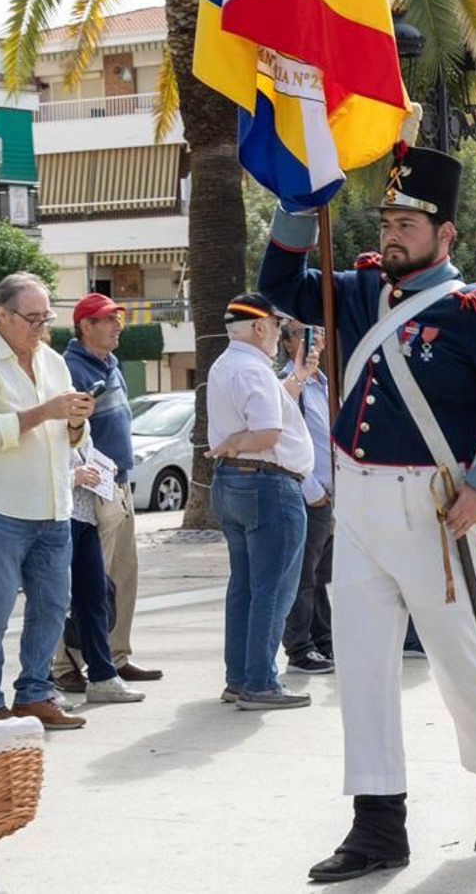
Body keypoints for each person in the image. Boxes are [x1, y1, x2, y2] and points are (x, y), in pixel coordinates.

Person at [260, 141, 476, 881]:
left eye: (408, 224)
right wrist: (298, 201)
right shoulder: (362, 291)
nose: (391, 236)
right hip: (360, 503)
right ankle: (378, 822)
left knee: (460, 658)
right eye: (387, 221)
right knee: (362, 665)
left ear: (445, 234)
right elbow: (279, 284)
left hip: (433, 508)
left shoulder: (474, 312)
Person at [0, 273, 95, 731]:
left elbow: (70, 437)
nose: (41, 326)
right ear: (2, 314)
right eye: (32, 318)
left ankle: (34, 694)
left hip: (52, 507)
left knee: (52, 607)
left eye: (46, 317)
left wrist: (76, 423)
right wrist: (44, 412)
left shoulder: (54, 362)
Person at [207, 293, 317, 711]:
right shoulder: (253, 369)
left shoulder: (228, 364)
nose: (278, 334)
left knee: (245, 587)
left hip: (235, 482)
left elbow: (270, 410)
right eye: (276, 326)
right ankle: (260, 682)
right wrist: (238, 441)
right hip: (268, 484)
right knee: (273, 589)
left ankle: (239, 679)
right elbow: (268, 432)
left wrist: (299, 378)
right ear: (258, 327)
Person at [51, 292, 159, 693]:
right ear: (85, 326)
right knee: (89, 582)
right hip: (93, 486)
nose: (117, 326)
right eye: (108, 319)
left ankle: (115, 658)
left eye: (118, 319)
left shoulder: (111, 363)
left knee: (123, 575)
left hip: (119, 480)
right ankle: (65, 664)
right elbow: (68, 432)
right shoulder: (71, 368)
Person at [280, 323, 336, 675]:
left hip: (330, 494)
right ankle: (299, 649)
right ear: (287, 344)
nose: (312, 341)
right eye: (301, 334)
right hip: (308, 493)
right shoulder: (288, 384)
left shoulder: (325, 384)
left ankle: (323, 642)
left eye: (317, 333)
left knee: (318, 574)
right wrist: (311, 489)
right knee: (302, 574)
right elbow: (286, 441)